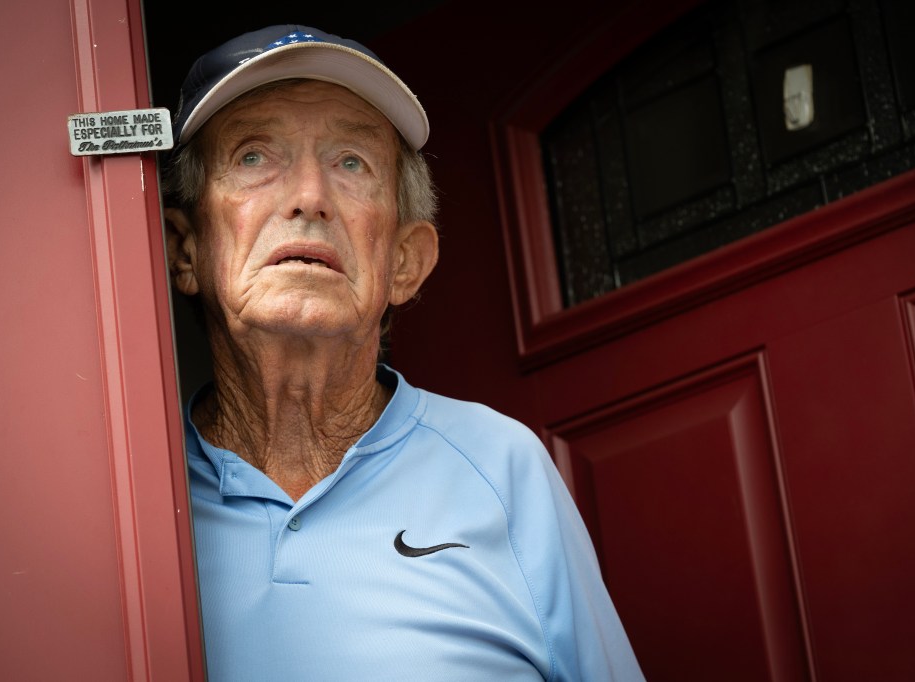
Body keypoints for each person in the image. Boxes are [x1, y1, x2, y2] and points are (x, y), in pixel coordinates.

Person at [162, 24, 645, 681]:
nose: (309, 198)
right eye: (254, 157)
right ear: (185, 248)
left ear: (406, 262)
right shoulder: (138, 500)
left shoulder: (503, 468)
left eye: (351, 163)